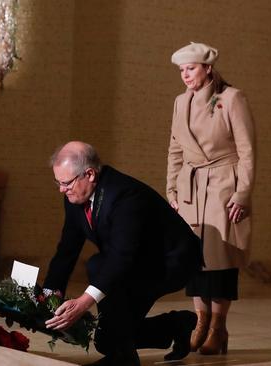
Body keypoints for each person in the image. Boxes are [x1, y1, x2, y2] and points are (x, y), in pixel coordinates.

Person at [43, 142, 203, 366]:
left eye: (66, 183)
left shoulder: (124, 195)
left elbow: (121, 257)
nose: (61, 189)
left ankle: (124, 358)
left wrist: (83, 303)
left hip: (171, 261)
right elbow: (67, 249)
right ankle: (175, 325)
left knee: (101, 279)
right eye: (58, 183)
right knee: (108, 336)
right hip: (136, 261)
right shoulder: (74, 195)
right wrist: (48, 296)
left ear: (89, 174)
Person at [167, 42, 256, 355]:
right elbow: (175, 149)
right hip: (190, 188)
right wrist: (172, 190)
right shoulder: (181, 102)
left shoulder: (231, 98)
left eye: (190, 68)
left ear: (207, 68)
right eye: (181, 70)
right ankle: (200, 322)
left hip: (223, 185)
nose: (185, 75)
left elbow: (246, 150)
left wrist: (243, 192)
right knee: (193, 258)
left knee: (220, 260)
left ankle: (218, 327)